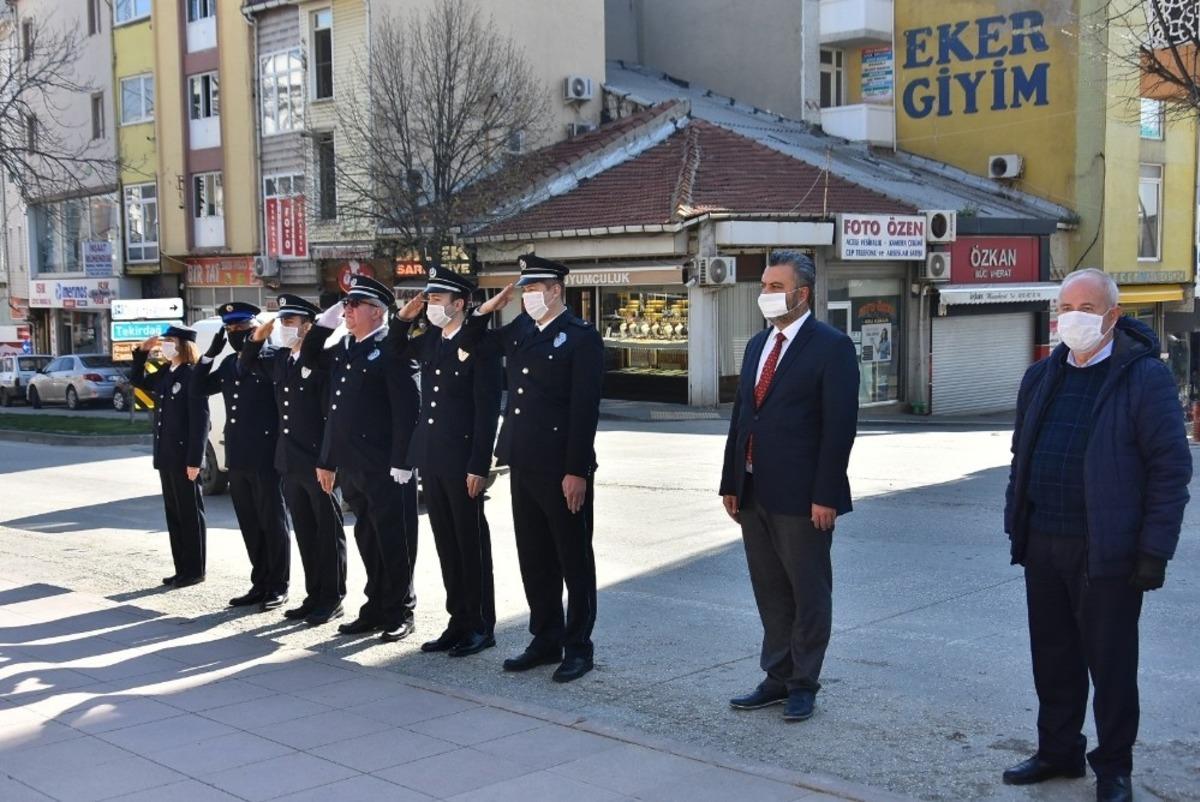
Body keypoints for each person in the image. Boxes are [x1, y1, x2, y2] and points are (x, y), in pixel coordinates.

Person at [1002, 268, 1191, 802]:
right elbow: (1022, 455)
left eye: (1086, 308)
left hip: (1106, 551)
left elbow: (1170, 470)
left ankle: (1114, 768)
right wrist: (1017, 521)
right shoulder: (1042, 375)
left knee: (1111, 667)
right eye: (1065, 308)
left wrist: (1154, 551)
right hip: (1044, 541)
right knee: (1053, 658)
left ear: (1112, 316)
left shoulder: (1143, 378)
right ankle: (1058, 751)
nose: (1073, 318)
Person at [719, 250, 859, 722]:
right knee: (771, 590)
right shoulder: (758, 344)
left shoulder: (831, 347)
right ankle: (776, 676)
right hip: (753, 490)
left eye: (776, 287)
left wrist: (826, 495)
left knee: (808, 592)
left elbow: (839, 428)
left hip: (803, 498)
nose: (766, 294)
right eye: (764, 285)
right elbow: (742, 417)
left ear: (803, 294)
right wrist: (731, 481)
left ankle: (803, 683)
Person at [466, 253, 604, 683]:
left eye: (534, 288)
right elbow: (472, 345)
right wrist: (484, 310)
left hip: (561, 466)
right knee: (535, 557)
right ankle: (545, 639)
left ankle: (578, 647)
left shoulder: (580, 336)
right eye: (524, 289)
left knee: (573, 560)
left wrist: (576, 470)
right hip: (522, 461)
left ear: (556, 290)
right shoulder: (522, 328)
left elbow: (585, 409)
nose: (527, 296)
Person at [393, 267, 503, 658]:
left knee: (471, 545)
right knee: (446, 545)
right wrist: (402, 319)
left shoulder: (480, 345)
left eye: (438, 300)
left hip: (462, 460)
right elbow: (394, 351)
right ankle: (457, 621)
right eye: (430, 300)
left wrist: (479, 465)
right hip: (433, 457)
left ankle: (481, 625)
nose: (431, 306)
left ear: (460, 304)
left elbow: (486, 410)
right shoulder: (431, 341)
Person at [304, 275, 420, 643]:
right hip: (353, 464)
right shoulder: (345, 348)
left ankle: (400, 610)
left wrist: (403, 462)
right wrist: (323, 324)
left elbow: (408, 411)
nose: (348, 310)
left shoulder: (392, 348)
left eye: (355, 304)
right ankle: (375, 607)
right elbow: (314, 367)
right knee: (368, 537)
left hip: (387, 466)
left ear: (377, 312)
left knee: (395, 540)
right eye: (346, 304)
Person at [240, 295, 348, 626]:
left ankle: (332, 598)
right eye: (282, 321)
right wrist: (257, 337)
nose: (284, 328)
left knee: (327, 533)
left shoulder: (322, 361)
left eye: (290, 322)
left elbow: (331, 417)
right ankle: (314, 595)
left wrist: (329, 461)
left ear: (308, 326)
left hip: (317, 462)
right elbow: (247, 362)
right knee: (305, 532)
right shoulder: (280, 359)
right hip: (289, 461)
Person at [192, 302, 291, 612]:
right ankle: (259, 582)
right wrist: (208, 355)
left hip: (265, 455)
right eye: (230, 329)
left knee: (272, 522)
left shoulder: (271, 358)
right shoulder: (228, 363)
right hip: (237, 456)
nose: (236, 333)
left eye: (242, 328)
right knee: (250, 523)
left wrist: (256, 346)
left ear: (255, 329)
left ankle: (278, 585)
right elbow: (197, 388)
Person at [129, 325, 210, 588]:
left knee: (190, 515)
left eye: (170, 340)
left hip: (185, 457)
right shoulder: (167, 371)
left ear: (183, 345)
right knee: (174, 514)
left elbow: (201, 422)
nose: (165, 345)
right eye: (164, 341)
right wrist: (142, 353)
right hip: (166, 455)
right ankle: (181, 568)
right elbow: (138, 381)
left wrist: (195, 460)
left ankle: (195, 570)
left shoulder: (192, 374)